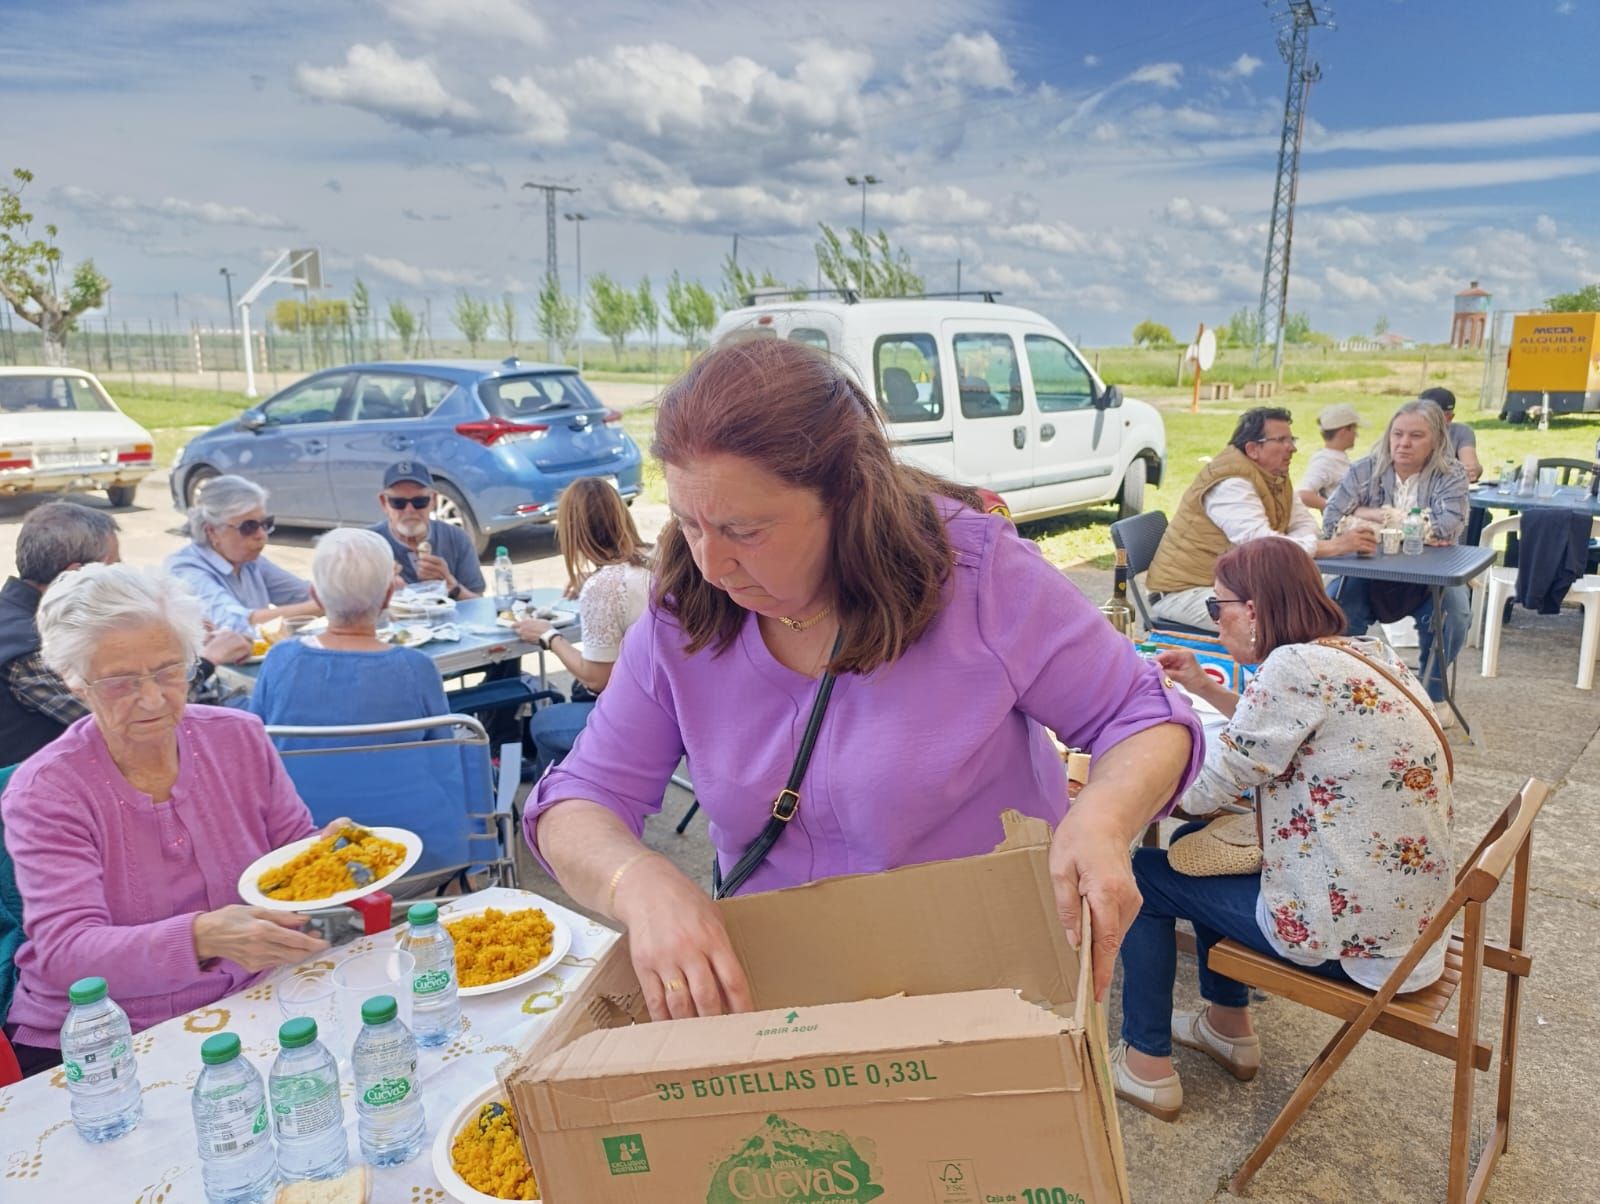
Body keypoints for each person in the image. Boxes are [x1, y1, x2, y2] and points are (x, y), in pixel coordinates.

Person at [523, 337, 1204, 1022]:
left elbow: (1144, 716)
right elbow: (577, 800)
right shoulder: (683, 616)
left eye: (745, 531)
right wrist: (638, 881)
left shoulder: (975, 574)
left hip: (991, 984)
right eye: (688, 522)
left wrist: (1104, 817)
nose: (710, 563)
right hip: (784, 997)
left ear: (849, 497)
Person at [1113, 537, 1454, 1121]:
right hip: (1410, 927)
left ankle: (1146, 1066)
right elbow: (1275, 735)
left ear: (1254, 608)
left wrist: (1115, 780)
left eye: (1218, 606)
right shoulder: (1362, 652)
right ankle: (1228, 1027)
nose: (1213, 620)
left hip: (1360, 946)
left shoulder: (1292, 668)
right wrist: (1202, 685)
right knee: (1197, 851)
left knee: (1146, 873)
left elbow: (1202, 792)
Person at [1, 564, 333, 1076]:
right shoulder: (47, 791)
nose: (153, 698)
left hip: (253, 991)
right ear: (76, 681)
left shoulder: (239, 737)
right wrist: (202, 937)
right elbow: (67, 952)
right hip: (104, 1034)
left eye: (168, 670)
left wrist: (333, 854)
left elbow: (292, 854)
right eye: (121, 682)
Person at [1, 502, 250, 764]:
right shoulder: (29, 648)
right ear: (76, 575)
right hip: (53, 782)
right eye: (115, 565)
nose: (121, 573)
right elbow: (132, 720)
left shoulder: (17, 614)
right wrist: (207, 660)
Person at [1146, 408, 1376, 631]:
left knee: (1312, 606)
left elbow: (1304, 523)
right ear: (1253, 449)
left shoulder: (1274, 475)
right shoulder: (1230, 483)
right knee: (1286, 620)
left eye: (1291, 439)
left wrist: (1306, 546)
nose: (1292, 448)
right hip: (1186, 593)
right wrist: (1333, 546)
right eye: (1282, 440)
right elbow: (1260, 545)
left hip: (1228, 587)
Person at [1322, 399, 1471, 714]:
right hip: (1367, 573)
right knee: (1333, 606)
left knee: (1456, 614)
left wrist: (1369, 516)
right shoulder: (1365, 468)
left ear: (1435, 440)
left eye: (1416, 436)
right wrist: (1416, 525)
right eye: (1397, 434)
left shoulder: (1451, 473)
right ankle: (1343, 689)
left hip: (1431, 576)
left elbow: (1446, 527)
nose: (1404, 443)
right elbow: (1332, 521)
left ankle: (1433, 695)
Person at [513, 476, 653, 774]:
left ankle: (565, 791)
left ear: (571, 531)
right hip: (677, 701)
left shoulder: (604, 586)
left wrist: (548, 636)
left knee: (544, 722)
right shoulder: (657, 556)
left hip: (644, 718)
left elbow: (596, 679)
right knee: (575, 695)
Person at [249, 527, 450, 728]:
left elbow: (257, 736)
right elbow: (443, 743)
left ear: (316, 596)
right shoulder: (417, 668)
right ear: (388, 596)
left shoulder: (281, 659)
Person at [166, 474, 321, 634]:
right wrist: (325, 605)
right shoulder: (185, 571)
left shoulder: (248, 561)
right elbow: (235, 624)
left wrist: (333, 594)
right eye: (248, 527)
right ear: (212, 532)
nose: (261, 535)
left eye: (265, 524)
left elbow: (305, 594)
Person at [369, 461, 484, 599]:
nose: (409, 510)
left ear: (433, 500)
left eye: (420, 501)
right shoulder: (369, 545)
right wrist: (381, 591)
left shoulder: (457, 538)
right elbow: (350, 605)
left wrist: (451, 587)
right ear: (384, 503)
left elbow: (478, 603)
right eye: (398, 503)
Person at [1296, 403, 1360, 511]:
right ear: (1343, 431)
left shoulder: (1336, 457)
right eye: (1354, 429)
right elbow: (1303, 494)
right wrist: (1339, 509)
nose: (1356, 435)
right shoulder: (1325, 461)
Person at [1419, 386, 1482, 483]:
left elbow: (1470, 464)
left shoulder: (1461, 431)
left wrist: (1474, 470)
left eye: (1448, 416)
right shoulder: (1407, 432)